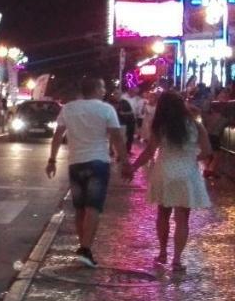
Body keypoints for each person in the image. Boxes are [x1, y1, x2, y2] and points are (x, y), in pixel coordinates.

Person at [46, 76, 129, 267]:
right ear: (96, 88)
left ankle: (83, 247)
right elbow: (116, 137)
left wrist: (52, 160)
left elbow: (58, 135)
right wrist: (125, 162)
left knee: (80, 208)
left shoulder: (69, 108)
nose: (104, 91)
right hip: (98, 163)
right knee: (93, 207)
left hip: (76, 163)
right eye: (102, 87)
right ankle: (85, 249)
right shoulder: (106, 109)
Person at [125, 91, 212, 271]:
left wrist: (132, 167)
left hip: (164, 172)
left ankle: (163, 252)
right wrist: (191, 158)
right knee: (183, 219)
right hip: (187, 174)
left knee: (163, 214)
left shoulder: (161, 127)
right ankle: (177, 259)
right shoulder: (196, 126)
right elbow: (207, 151)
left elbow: (149, 152)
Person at [109, 89, 136, 155]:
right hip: (112, 123)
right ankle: (111, 150)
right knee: (112, 137)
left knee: (122, 138)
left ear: (120, 95)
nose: (116, 95)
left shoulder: (125, 102)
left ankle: (120, 154)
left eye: (117, 93)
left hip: (122, 122)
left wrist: (124, 113)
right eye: (115, 93)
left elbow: (131, 112)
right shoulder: (110, 102)